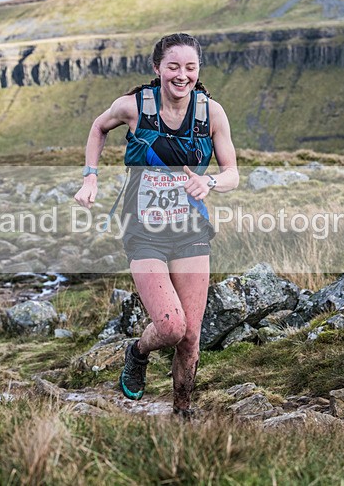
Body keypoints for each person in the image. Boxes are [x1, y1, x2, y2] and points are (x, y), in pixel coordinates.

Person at [74, 33, 239, 418]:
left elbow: (232, 173)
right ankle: (137, 351)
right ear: (157, 68)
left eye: (190, 67)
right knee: (170, 327)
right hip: (144, 231)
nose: (182, 75)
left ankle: (182, 413)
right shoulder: (135, 106)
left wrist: (210, 182)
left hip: (190, 231)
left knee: (191, 337)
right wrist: (90, 177)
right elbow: (98, 127)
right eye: (173, 66)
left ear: (198, 70)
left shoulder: (211, 113)